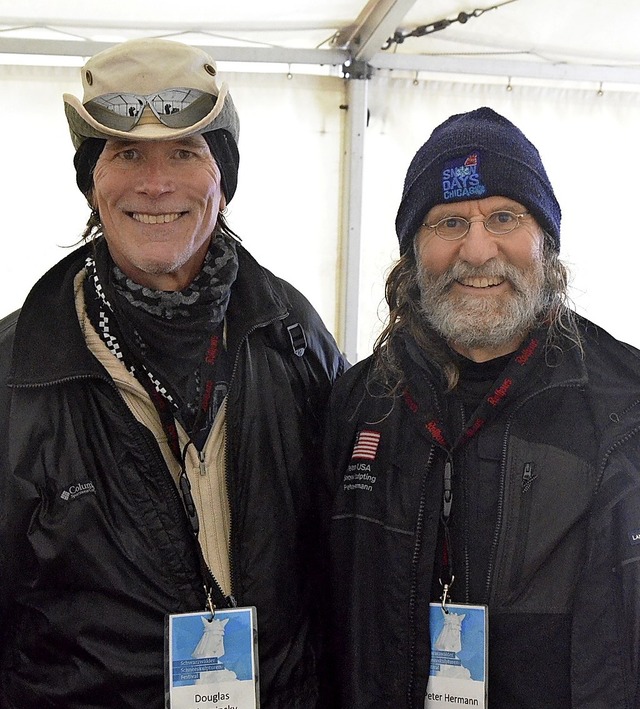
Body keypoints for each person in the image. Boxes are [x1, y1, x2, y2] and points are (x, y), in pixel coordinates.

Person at [0, 37, 346, 708]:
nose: (155, 184)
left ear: (223, 177)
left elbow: (346, 567)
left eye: (185, 152)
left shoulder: (294, 339)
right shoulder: (17, 371)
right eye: (127, 153)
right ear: (92, 181)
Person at [323, 107, 640, 708]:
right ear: (413, 252)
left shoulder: (625, 406)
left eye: (503, 217)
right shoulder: (358, 403)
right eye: (448, 222)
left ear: (544, 242)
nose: (477, 249)